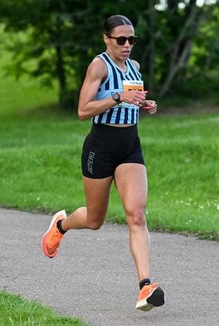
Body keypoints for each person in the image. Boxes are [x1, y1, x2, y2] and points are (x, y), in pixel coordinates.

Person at [41, 14, 164, 311]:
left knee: (136, 215)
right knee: (95, 220)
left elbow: (129, 100)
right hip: (101, 146)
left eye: (131, 39)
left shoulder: (134, 67)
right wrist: (117, 98)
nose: (127, 45)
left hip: (130, 146)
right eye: (120, 39)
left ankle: (145, 286)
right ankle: (60, 224)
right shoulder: (99, 66)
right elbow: (83, 110)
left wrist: (143, 104)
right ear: (106, 39)